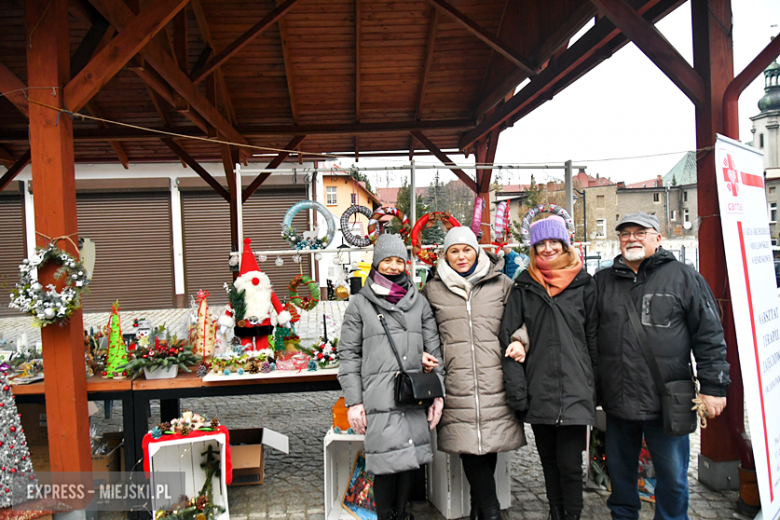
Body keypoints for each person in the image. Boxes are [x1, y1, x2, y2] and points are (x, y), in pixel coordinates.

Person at [594, 212, 730, 520]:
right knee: (620, 476)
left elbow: (708, 336)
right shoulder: (603, 281)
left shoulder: (684, 277)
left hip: (667, 399)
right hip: (617, 399)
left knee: (673, 479)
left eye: (640, 232)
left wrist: (713, 387)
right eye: (625, 233)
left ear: (658, 237)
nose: (632, 238)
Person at [338, 234, 445, 520]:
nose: (394, 266)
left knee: (409, 459)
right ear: (376, 263)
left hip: (412, 393)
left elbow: (435, 351)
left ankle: (403, 513)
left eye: (399, 260)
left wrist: (438, 394)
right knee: (385, 462)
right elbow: (348, 356)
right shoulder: (360, 304)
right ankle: (386, 516)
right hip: (379, 395)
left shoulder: (419, 302)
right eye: (387, 260)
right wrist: (354, 402)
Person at [422, 227, 525, 520]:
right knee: (470, 446)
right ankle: (491, 511)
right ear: (445, 255)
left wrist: (521, 340)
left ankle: (479, 508)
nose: (461, 256)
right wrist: (422, 353)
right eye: (454, 251)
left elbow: (523, 320)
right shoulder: (433, 289)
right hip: (456, 379)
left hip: (495, 376)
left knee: (489, 443)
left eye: (467, 249)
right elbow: (421, 329)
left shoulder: (502, 284)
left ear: (477, 250)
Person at [499, 215, 598, 520]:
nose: (547, 248)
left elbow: (594, 337)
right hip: (539, 386)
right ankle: (556, 512)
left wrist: (598, 388)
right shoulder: (524, 286)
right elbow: (508, 337)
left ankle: (572, 515)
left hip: (575, 387)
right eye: (540, 243)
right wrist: (518, 390)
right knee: (549, 462)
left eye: (553, 242)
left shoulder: (585, 284)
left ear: (565, 243)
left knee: (570, 464)